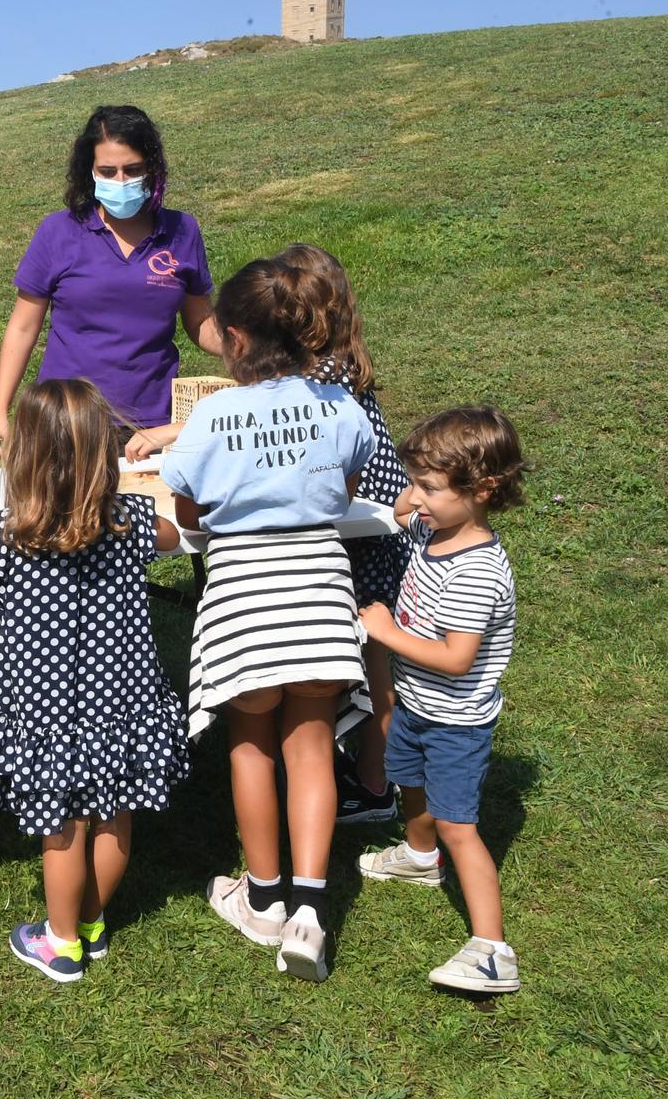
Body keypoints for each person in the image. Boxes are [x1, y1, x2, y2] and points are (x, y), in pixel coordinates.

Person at [158, 256, 377, 984]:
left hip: (244, 600)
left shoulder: (213, 413)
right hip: (318, 594)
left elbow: (186, 508)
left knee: (251, 744)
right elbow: (345, 490)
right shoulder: (338, 404)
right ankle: (312, 907)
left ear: (237, 340)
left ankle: (263, 897)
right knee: (310, 744)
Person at [0, 379, 188, 982]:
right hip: (122, 701)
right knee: (116, 812)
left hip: (46, 712)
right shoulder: (131, 521)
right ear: (105, 454)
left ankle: (60, 941)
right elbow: (174, 536)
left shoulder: (9, 530)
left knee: (62, 827)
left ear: (23, 458)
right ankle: (93, 920)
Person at [356, 407, 526, 994]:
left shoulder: (476, 570)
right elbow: (410, 508)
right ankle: (418, 856)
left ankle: (492, 950)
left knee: (459, 825)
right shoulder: (439, 529)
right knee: (411, 781)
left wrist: (385, 632)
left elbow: (457, 658)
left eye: (430, 487)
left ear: (481, 491)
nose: (416, 499)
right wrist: (416, 497)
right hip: (420, 704)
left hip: (455, 720)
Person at [0, 106, 225, 459]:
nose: (120, 181)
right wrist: (0, 412)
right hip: (66, 422)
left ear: (152, 169)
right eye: (107, 171)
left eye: (132, 170)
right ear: (90, 172)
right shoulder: (57, 232)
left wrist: (257, 351)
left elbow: (201, 322)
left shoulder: (182, 230)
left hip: (150, 427)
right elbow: (23, 327)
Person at [275, 243, 413, 824]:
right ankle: (360, 773)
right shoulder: (340, 364)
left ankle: (375, 785)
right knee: (369, 662)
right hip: (371, 531)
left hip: (365, 536)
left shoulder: (319, 381)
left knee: (372, 666)